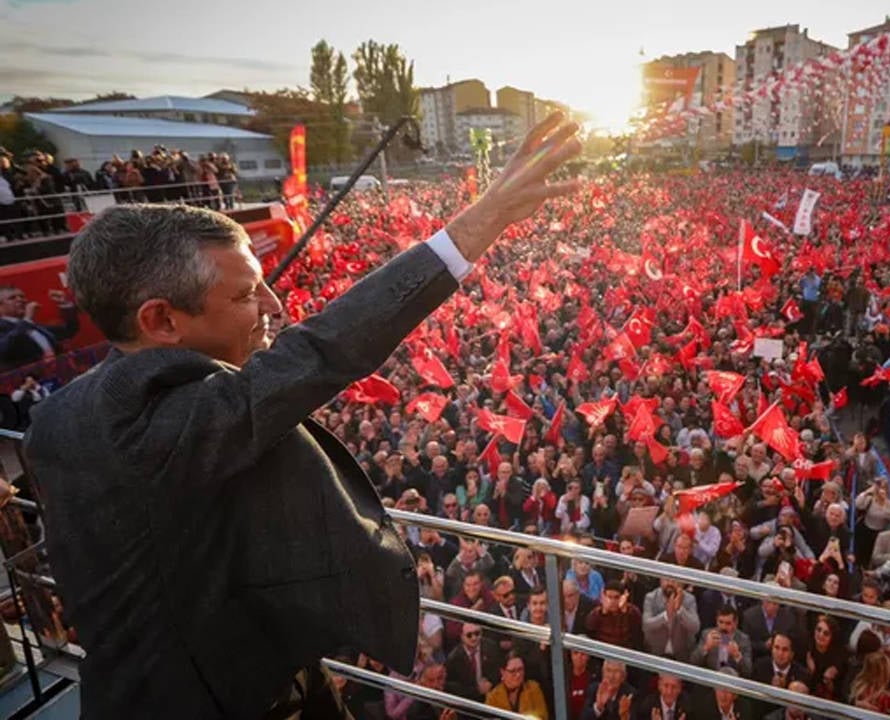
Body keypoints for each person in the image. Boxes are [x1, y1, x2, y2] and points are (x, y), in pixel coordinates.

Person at [21, 112, 581, 717]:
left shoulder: (60, 416)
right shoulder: (158, 430)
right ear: (160, 320)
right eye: (244, 295)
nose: (276, 305)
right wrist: (483, 218)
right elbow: (321, 350)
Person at [0, 286, 80, 370]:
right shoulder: (7, 327)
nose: (20, 300)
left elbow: (69, 330)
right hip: (29, 380)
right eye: (12, 298)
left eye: (22, 297)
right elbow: (4, 348)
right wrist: (27, 320)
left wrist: (64, 303)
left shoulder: (35, 326)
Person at [484, 652, 549, 720]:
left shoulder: (534, 688)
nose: (518, 675)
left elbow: (543, 717)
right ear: (502, 672)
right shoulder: (493, 697)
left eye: (520, 669)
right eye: (512, 671)